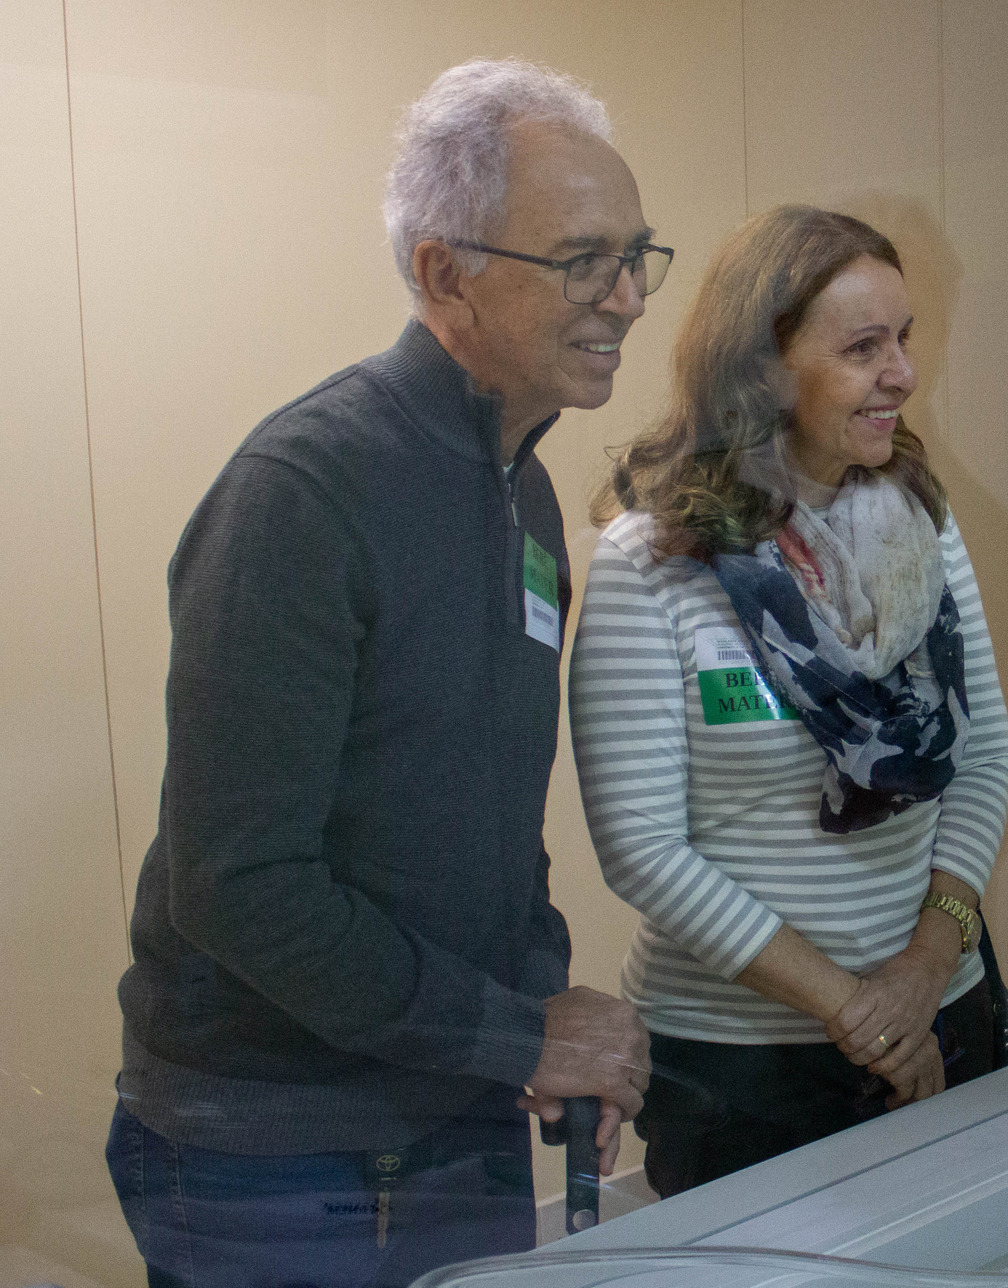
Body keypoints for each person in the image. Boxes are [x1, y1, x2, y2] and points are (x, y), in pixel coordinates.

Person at [107, 59, 660, 1286]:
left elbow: (494, 822)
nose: (626, 298)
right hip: (277, 1147)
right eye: (583, 260)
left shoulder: (522, 492)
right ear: (443, 272)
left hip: (454, 1099)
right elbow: (241, 886)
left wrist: (547, 1018)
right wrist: (519, 1033)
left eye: (635, 256)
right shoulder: (302, 494)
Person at [569, 205, 1008, 1199]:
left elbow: (982, 754)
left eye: (904, 339)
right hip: (739, 1064)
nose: (902, 373)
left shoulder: (920, 522)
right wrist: (856, 1010)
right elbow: (642, 848)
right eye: (863, 348)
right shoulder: (654, 559)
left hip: (942, 1007)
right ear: (763, 370)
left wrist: (920, 974)